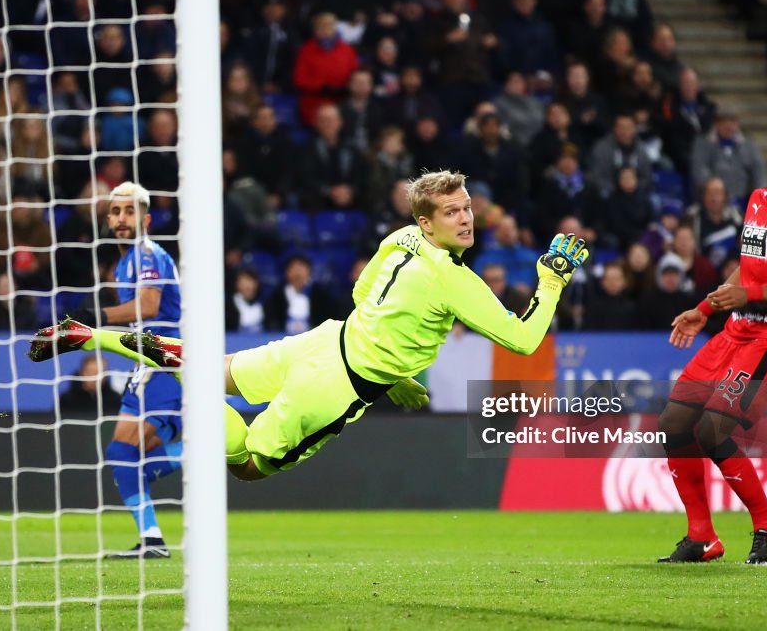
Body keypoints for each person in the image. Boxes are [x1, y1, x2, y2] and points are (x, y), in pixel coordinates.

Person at [30, 171, 589, 485]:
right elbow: (522, 338)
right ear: (428, 221)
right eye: (451, 212)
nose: (465, 218)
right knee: (248, 465)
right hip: (339, 386)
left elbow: (361, 294)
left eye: (467, 207)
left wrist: (393, 361)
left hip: (327, 338)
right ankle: (183, 391)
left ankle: (94, 337)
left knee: (218, 371)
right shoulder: (457, 282)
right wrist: (550, 281)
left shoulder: (399, 239)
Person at [657, 120, 767, 564]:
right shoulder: (758, 199)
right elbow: (747, 269)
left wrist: (748, 295)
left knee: (713, 430)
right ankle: (702, 537)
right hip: (734, 332)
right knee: (675, 423)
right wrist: (705, 308)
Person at [64, 181, 183, 560]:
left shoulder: (148, 254)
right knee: (124, 457)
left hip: (164, 359)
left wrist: (95, 320)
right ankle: (152, 540)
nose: (121, 218)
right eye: (115, 212)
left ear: (145, 218)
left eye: (129, 211)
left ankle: (154, 537)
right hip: (143, 362)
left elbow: (149, 306)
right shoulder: (123, 263)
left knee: (124, 453)